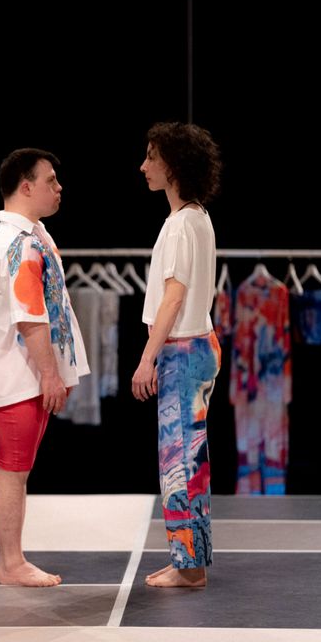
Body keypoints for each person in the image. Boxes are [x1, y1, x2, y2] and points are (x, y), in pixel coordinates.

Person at [0, 148, 89, 587]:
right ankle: (10, 563)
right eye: (50, 180)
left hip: (21, 372)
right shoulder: (18, 243)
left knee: (17, 469)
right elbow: (29, 316)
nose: (59, 187)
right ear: (26, 186)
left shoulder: (33, 234)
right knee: (12, 468)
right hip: (12, 373)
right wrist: (51, 374)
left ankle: (12, 560)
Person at [132, 121, 223, 588]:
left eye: (152, 157)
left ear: (174, 165)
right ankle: (189, 560)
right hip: (198, 346)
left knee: (179, 461)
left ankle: (189, 567)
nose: (144, 166)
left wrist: (147, 358)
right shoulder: (198, 218)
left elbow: (173, 297)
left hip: (182, 351)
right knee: (190, 459)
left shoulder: (181, 224)